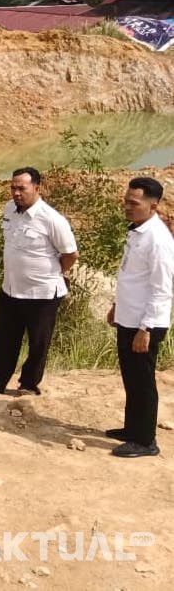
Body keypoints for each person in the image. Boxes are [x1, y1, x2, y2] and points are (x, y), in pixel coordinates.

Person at [0, 168, 79, 396]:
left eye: (21, 188)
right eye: (13, 187)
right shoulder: (9, 210)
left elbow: (71, 254)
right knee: (4, 338)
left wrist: (54, 272)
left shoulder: (52, 219)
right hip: (11, 289)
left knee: (38, 343)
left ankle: (28, 385)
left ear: (37, 188)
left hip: (42, 293)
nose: (16, 193)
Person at [105, 177, 174, 459]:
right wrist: (116, 306)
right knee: (131, 377)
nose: (127, 207)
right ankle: (132, 430)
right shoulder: (138, 231)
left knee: (142, 381)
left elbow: (161, 289)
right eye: (126, 201)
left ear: (153, 206)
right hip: (129, 317)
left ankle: (146, 441)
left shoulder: (158, 240)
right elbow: (131, 278)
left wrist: (145, 328)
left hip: (145, 324)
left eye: (134, 203)